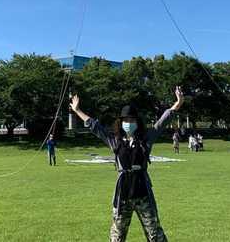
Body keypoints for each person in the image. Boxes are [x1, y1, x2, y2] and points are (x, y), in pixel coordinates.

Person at [70, 86, 184, 242]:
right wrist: (77, 110)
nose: (129, 123)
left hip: (143, 193)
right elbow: (95, 126)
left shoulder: (146, 139)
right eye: (126, 120)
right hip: (123, 195)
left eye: (132, 120)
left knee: (155, 234)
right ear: (121, 122)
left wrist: (177, 104)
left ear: (137, 122)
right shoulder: (115, 141)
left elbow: (162, 122)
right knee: (117, 236)